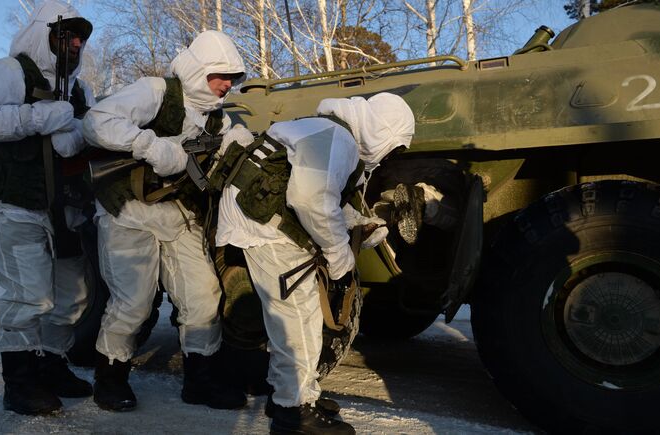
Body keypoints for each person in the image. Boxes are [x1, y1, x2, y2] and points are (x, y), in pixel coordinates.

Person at [212, 92, 415, 434]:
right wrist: (339, 255)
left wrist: (360, 227)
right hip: (266, 227)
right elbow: (310, 200)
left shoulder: (329, 131)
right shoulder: (338, 139)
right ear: (382, 130)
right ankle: (295, 414)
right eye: (393, 146)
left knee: (294, 318)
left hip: (259, 218)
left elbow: (323, 194)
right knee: (297, 318)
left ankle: (292, 395)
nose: (388, 155)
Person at [81, 30, 248, 412]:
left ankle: (200, 381)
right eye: (219, 75)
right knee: (133, 303)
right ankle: (110, 378)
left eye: (232, 78)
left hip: (177, 213)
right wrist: (151, 147)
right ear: (198, 70)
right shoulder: (157, 91)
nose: (226, 84)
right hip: (128, 210)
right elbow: (97, 121)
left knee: (204, 295)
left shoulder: (216, 118)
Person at [0, 0, 95, 416]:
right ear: (44, 35)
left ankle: (50, 365)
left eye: (79, 38)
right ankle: (18, 383)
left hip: (65, 207)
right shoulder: (8, 71)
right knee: (28, 297)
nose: (74, 44)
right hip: (14, 204)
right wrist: (36, 116)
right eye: (66, 35)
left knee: (74, 296)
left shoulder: (79, 88)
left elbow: (83, 131)